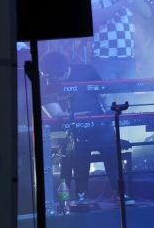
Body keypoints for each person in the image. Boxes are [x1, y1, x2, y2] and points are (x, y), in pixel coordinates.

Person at [40, 51, 119, 201]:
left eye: (56, 78)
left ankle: (119, 192)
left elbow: (104, 95)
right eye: (49, 78)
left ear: (65, 70)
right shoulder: (46, 82)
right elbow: (57, 114)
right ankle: (81, 196)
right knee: (79, 160)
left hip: (99, 124)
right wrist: (71, 117)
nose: (52, 81)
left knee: (112, 155)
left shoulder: (86, 71)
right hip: (75, 129)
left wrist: (110, 111)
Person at [89, 0, 151, 80]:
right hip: (104, 59)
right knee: (108, 92)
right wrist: (123, 2)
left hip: (127, 59)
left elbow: (147, 13)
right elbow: (98, 17)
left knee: (129, 93)